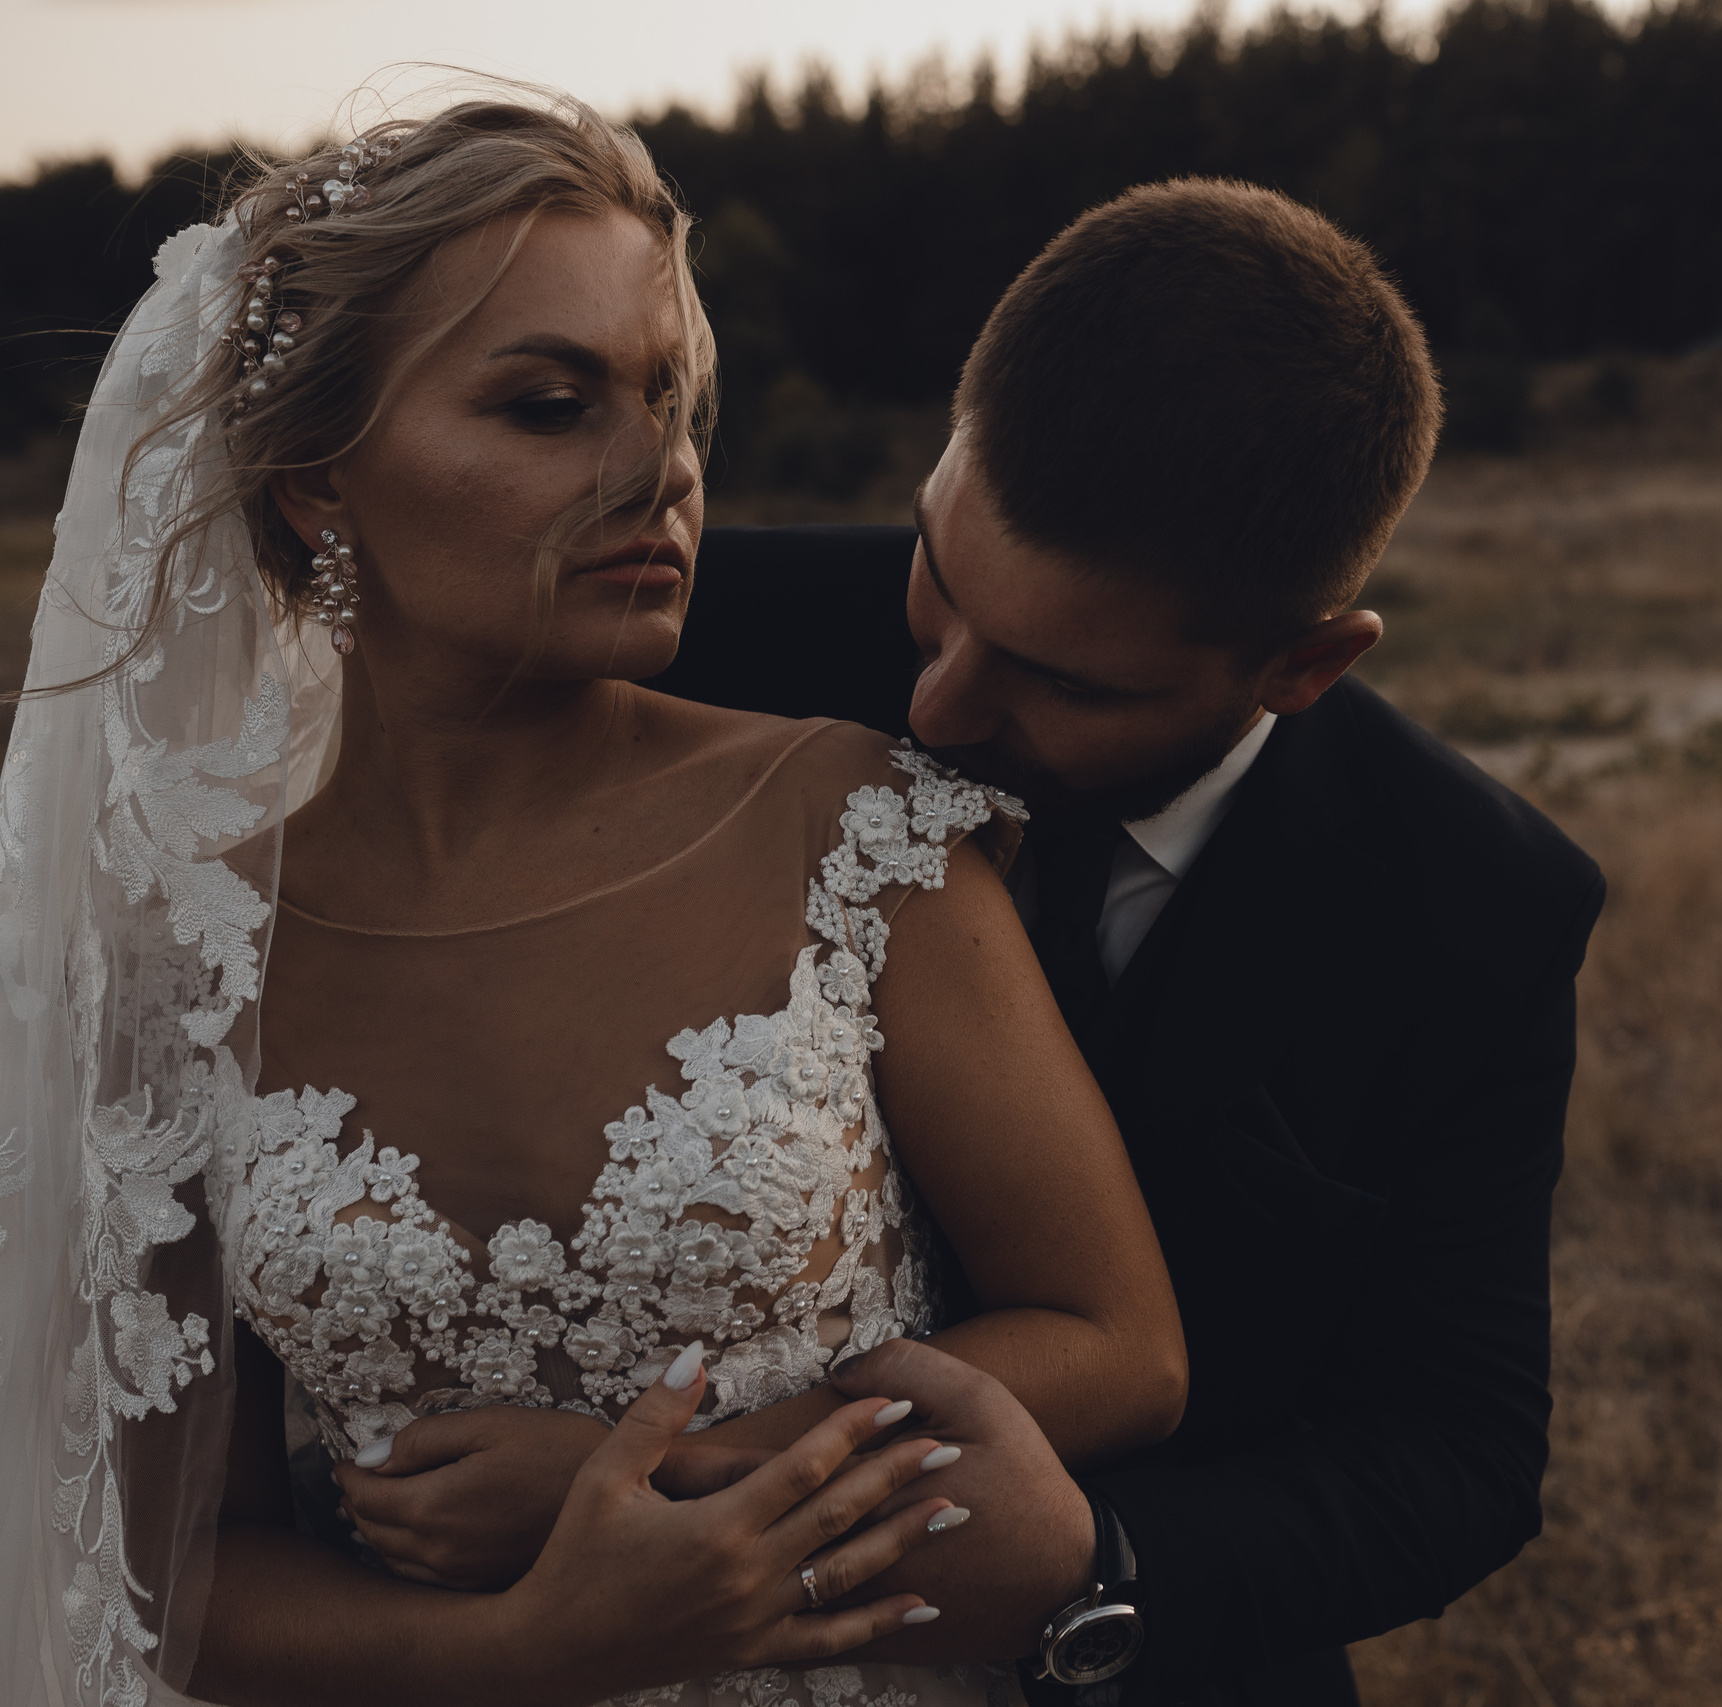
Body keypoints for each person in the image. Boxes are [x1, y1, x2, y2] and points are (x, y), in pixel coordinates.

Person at [0, 93, 1186, 1707]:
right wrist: (524, 1649)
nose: (666, 470)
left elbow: (1116, 1341)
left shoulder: (850, 824)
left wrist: (660, 1477)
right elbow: (174, 1566)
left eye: (672, 398)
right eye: (554, 406)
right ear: (314, 488)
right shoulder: (180, 956)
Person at [527, 180, 1611, 1704]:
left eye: (1063, 680)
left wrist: (1096, 1563)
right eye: (937, 583)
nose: (938, 710)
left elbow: (1456, 1453)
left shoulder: (1468, 905)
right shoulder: (693, 643)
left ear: (1306, 663)